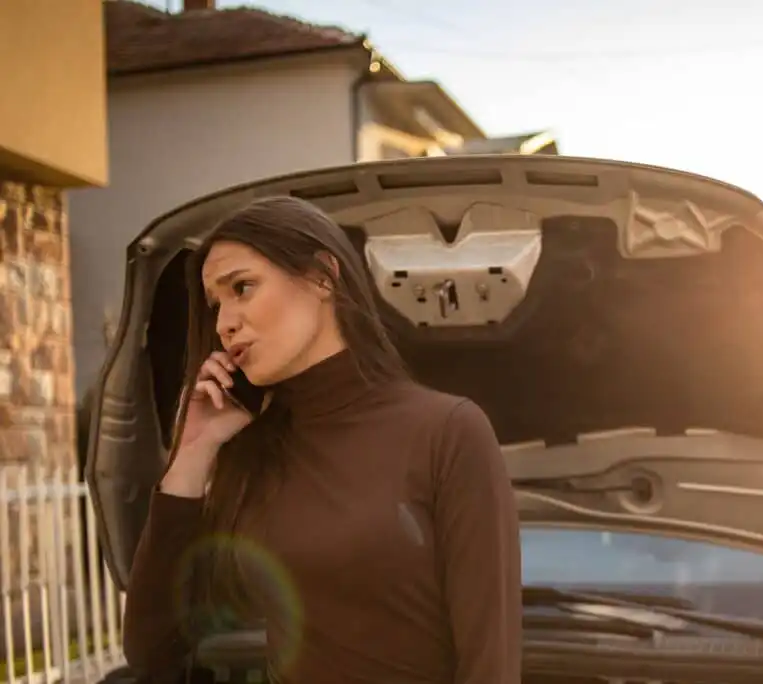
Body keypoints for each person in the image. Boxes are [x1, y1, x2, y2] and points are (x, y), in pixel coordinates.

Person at [121, 196, 522, 684]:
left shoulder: (448, 432)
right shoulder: (251, 455)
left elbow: (489, 667)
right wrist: (193, 454)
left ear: (321, 277)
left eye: (242, 288)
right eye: (215, 304)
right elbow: (152, 654)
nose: (224, 322)